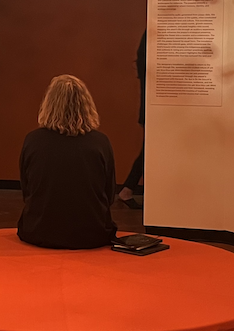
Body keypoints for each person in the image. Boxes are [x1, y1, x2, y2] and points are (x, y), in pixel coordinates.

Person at [17, 75, 118, 250]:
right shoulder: (100, 142)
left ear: (48, 104)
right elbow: (109, 194)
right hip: (92, 233)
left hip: (39, 231)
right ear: (87, 105)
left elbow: (27, 190)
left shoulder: (33, 140)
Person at [117, 30, 145, 209]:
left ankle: (127, 189)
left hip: (152, 108)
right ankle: (127, 189)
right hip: (155, 109)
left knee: (149, 150)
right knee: (149, 150)